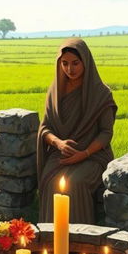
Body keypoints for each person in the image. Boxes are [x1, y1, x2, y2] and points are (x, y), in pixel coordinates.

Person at [37, 38, 117, 223]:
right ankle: (51, 240)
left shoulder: (100, 93)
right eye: (64, 63)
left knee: (74, 184)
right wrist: (58, 143)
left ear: (86, 62)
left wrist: (84, 154)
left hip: (93, 156)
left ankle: (81, 238)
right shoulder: (55, 91)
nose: (69, 69)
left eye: (75, 63)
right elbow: (45, 128)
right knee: (50, 182)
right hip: (62, 154)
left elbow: (106, 133)